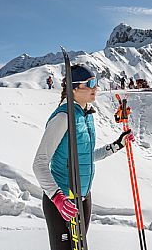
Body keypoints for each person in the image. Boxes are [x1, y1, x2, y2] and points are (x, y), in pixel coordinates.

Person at [33, 65, 135, 250]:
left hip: (83, 197)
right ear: (74, 88)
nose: (96, 88)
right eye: (90, 83)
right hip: (63, 200)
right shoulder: (63, 117)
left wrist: (117, 145)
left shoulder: (84, 115)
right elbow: (39, 163)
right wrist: (57, 198)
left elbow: (84, 157)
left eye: (96, 83)